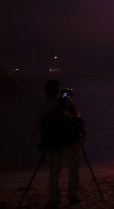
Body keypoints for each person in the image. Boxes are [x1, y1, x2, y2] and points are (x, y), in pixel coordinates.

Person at [37, 79, 83, 208]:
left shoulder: (43, 108)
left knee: (54, 173)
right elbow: (78, 116)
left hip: (54, 144)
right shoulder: (66, 101)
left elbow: (39, 128)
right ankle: (73, 196)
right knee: (73, 170)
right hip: (70, 141)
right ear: (58, 90)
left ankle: (54, 199)